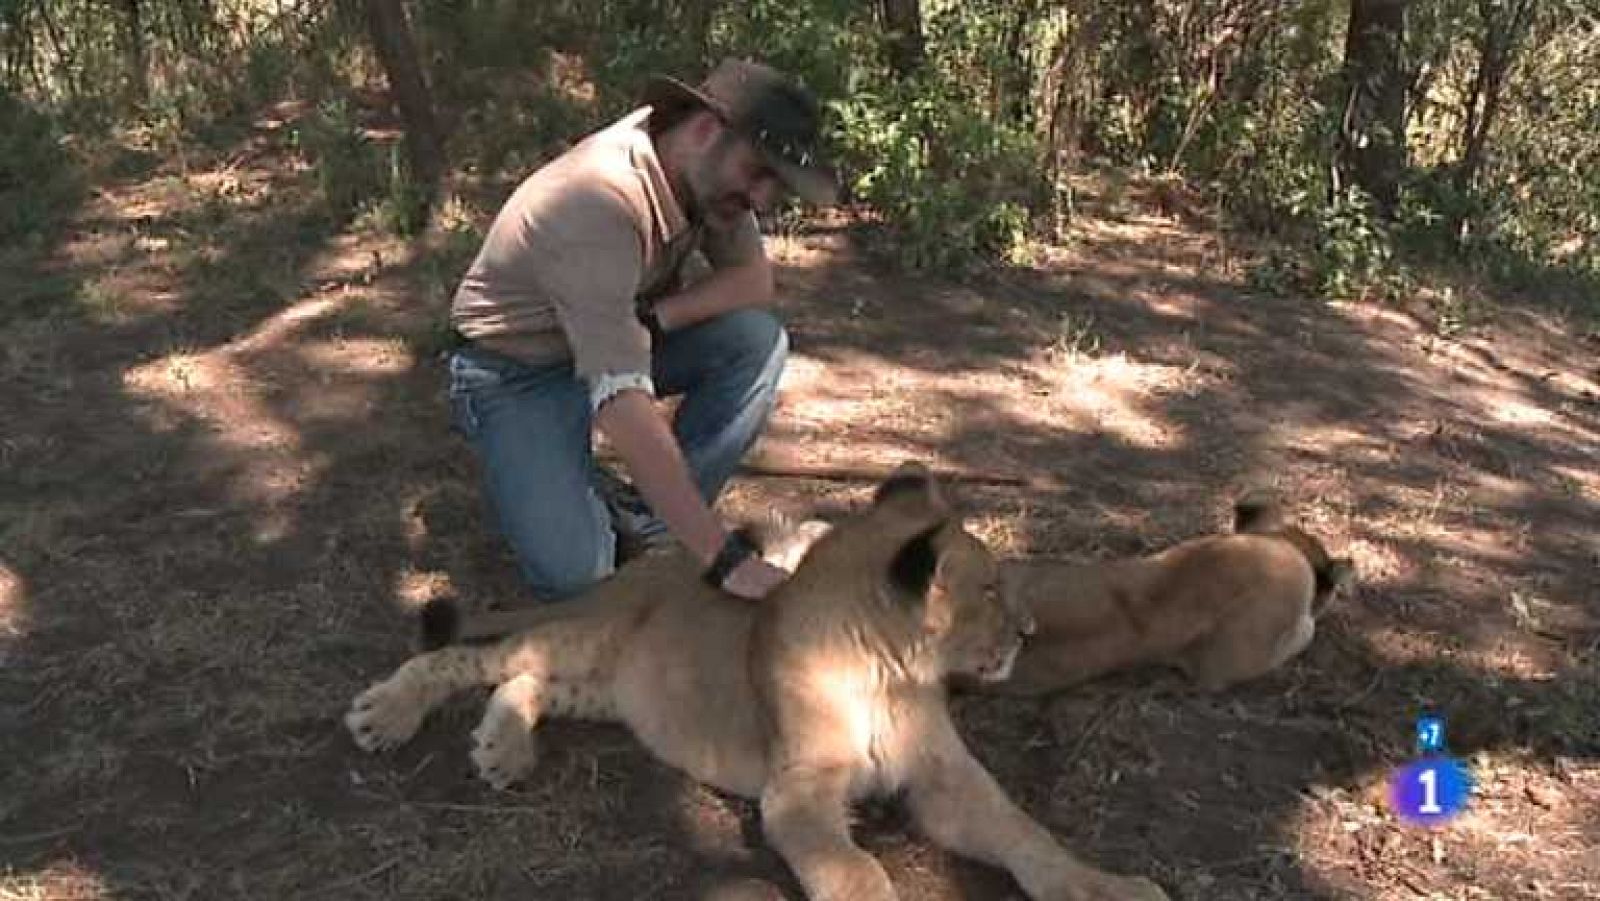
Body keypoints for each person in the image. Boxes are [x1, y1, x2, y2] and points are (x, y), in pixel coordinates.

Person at [447, 59, 838, 601]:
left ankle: (646, 519)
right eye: (759, 172)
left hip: (608, 346)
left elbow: (753, 283)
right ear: (705, 129)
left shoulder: (703, 174)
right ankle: (602, 503)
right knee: (579, 576)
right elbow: (621, 400)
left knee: (755, 341)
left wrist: (655, 320)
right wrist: (721, 558)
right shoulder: (596, 200)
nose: (764, 200)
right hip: (518, 375)